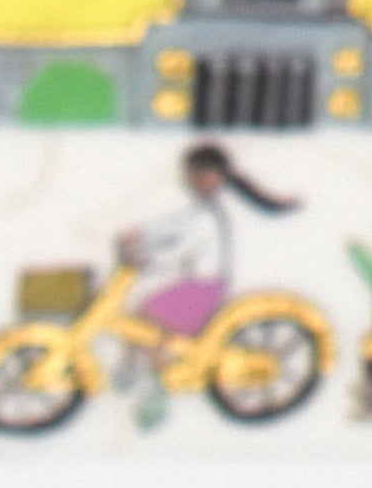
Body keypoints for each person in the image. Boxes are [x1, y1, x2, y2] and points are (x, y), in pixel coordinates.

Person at [110, 141, 298, 431]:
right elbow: (173, 224)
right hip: (196, 287)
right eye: (192, 174)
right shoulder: (201, 212)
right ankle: (130, 369)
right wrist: (139, 233)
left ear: (218, 177)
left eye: (201, 174)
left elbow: (182, 250)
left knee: (153, 329)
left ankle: (156, 391)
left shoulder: (207, 218)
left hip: (204, 291)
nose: (195, 180)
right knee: (137, 316)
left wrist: (147, 260)